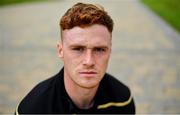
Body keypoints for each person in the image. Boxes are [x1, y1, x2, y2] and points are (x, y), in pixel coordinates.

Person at [16, 2, 135, 114]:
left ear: (110, 51)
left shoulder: (122, 100)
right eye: (78, 49)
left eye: (99, 49)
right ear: (60, 50)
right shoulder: (33, 109)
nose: (89, 61)